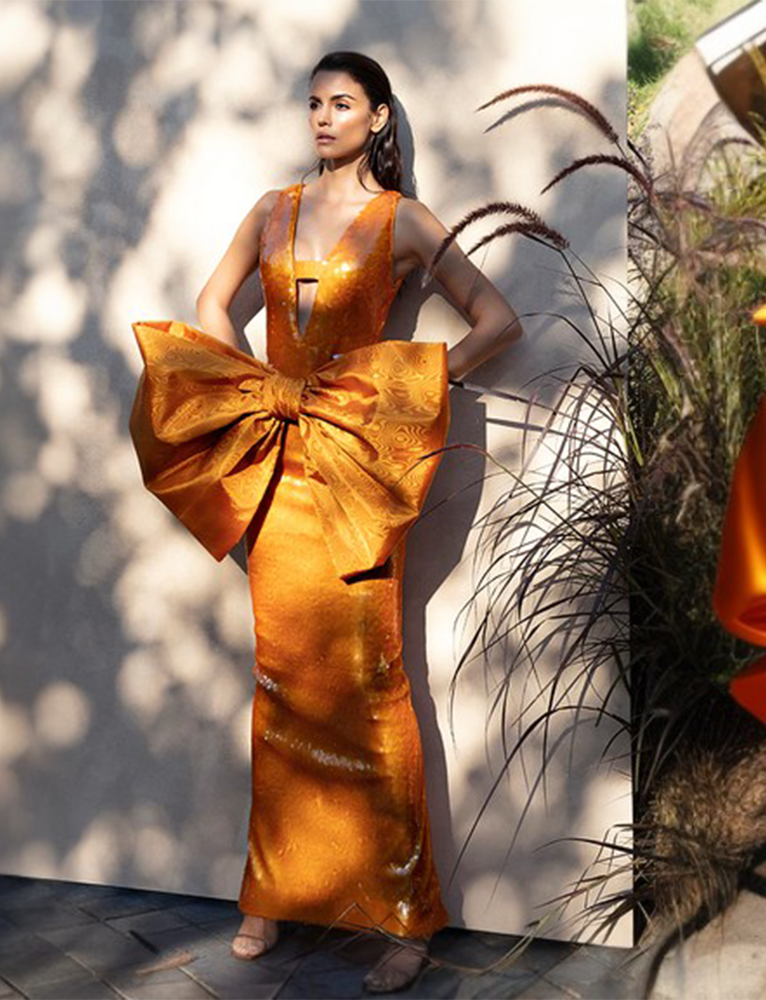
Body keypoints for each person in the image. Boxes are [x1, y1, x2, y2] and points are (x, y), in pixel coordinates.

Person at [130, 50, 521, 994]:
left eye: (341, 104)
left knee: (376, 682)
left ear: (379, 118)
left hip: (353, 474)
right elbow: (210, 304)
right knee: (281, 677)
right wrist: (248, 386)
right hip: (276, 473)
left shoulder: (407, 221)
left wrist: (407, 389)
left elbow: (497, 319)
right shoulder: (272, 209)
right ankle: (269, 894)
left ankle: (404, 917)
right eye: (313, 103)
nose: (321, 117)